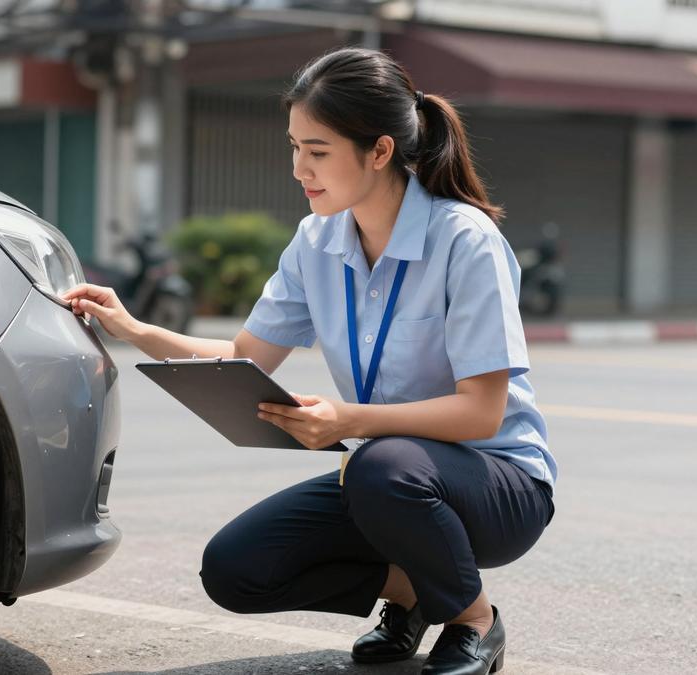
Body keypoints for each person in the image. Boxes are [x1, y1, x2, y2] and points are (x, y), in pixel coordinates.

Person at [62, 47, 557, 675]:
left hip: (499, 485)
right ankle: (418, 594)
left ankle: (473, 620)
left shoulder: (464, 240)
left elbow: (482, 413)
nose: (300, 168)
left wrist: (348, 420)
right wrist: (131, 327)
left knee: (379, 466)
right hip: (391, 477)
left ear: (379, 151)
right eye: (294, 147)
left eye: (318, 151)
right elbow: (241, 357)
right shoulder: (315, 241)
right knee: (236, 570)